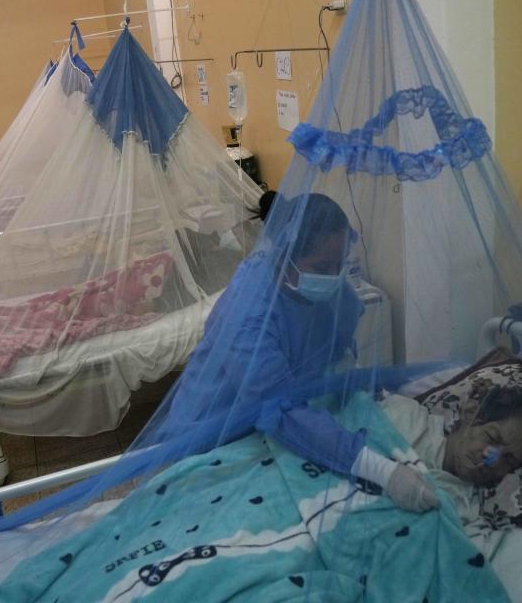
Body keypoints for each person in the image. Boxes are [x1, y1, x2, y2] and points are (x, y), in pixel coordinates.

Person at [162, 192, 440, 513]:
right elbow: (283, 411)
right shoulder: (249, 316)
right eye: (322, 266)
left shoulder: (328, 286)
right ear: (283, 257)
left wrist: (364, 387)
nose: (333, 275)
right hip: (216, 434)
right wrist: (383, 472)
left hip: (270, 425)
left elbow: (341, 342)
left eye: (339, 264)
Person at [442, 385, 522, 485]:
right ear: (470, 414)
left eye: (509, 460)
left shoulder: (466, 507)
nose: (492, 462)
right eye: (491, 437)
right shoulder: (422, 427)